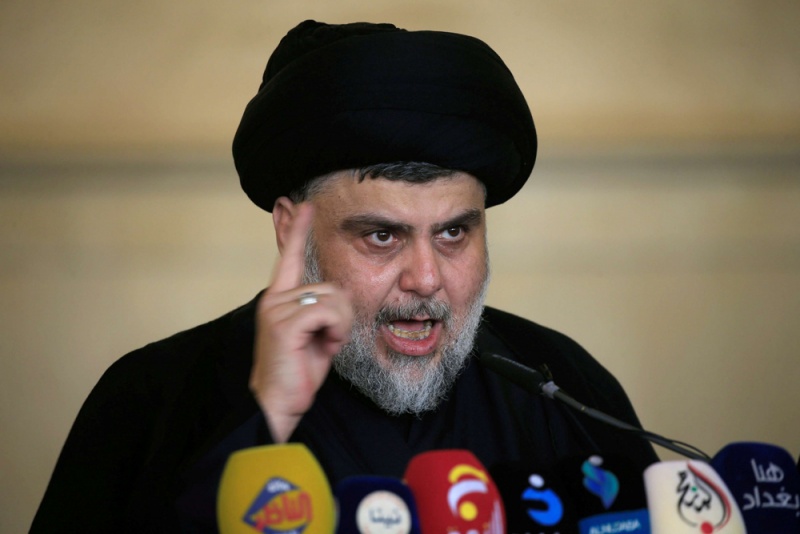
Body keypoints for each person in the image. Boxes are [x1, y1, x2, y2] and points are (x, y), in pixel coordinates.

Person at [32, 20, 658, 532]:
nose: (426, 279)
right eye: (382, 236)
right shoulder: (153, 400)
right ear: (291, 230)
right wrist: (264, 419)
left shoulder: (563, 387)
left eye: (453, 233)